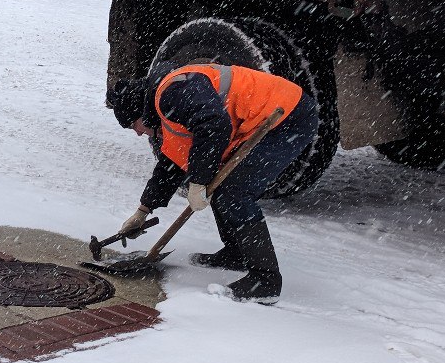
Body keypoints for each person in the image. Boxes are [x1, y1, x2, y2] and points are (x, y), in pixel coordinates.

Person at [105, 64, 320, 304]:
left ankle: (265, 281)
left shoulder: (171, 93)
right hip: (270, 115)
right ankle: (236, 253)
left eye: (133, 126)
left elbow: (214, 124)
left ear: (141, 114)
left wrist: (199, 181)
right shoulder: (167, 108)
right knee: (220, 187)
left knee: (233, 193)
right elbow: (171, 163)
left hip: (286, 116)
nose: (137, 133)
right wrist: (143, 211)